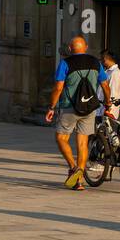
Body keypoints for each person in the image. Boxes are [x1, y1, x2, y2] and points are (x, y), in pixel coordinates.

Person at [46, 35, 101, 190]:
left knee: (61, 138)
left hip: (69, 107)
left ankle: (73, 167)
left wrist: (51, 107)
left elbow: (58, 88)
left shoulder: (65, 63)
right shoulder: (95, 62)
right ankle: (80, 181)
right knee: (83, 143)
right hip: (89, 107)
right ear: (86, 47)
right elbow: (105, 84)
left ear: (70, 49)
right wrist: (109, 102)